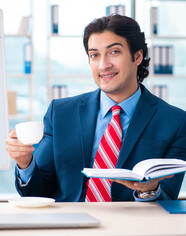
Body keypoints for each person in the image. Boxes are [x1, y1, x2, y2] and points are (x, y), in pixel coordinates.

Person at [6, 14, 186, 202]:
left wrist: (148, 189)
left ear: (137, 56)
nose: (103, 65)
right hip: (69, 226)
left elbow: (168, 200)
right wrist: (25, 163)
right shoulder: (60, 114)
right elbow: (38, 193)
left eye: (114, 52)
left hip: (133, 228)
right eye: (94, 55)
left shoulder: (175, 121)